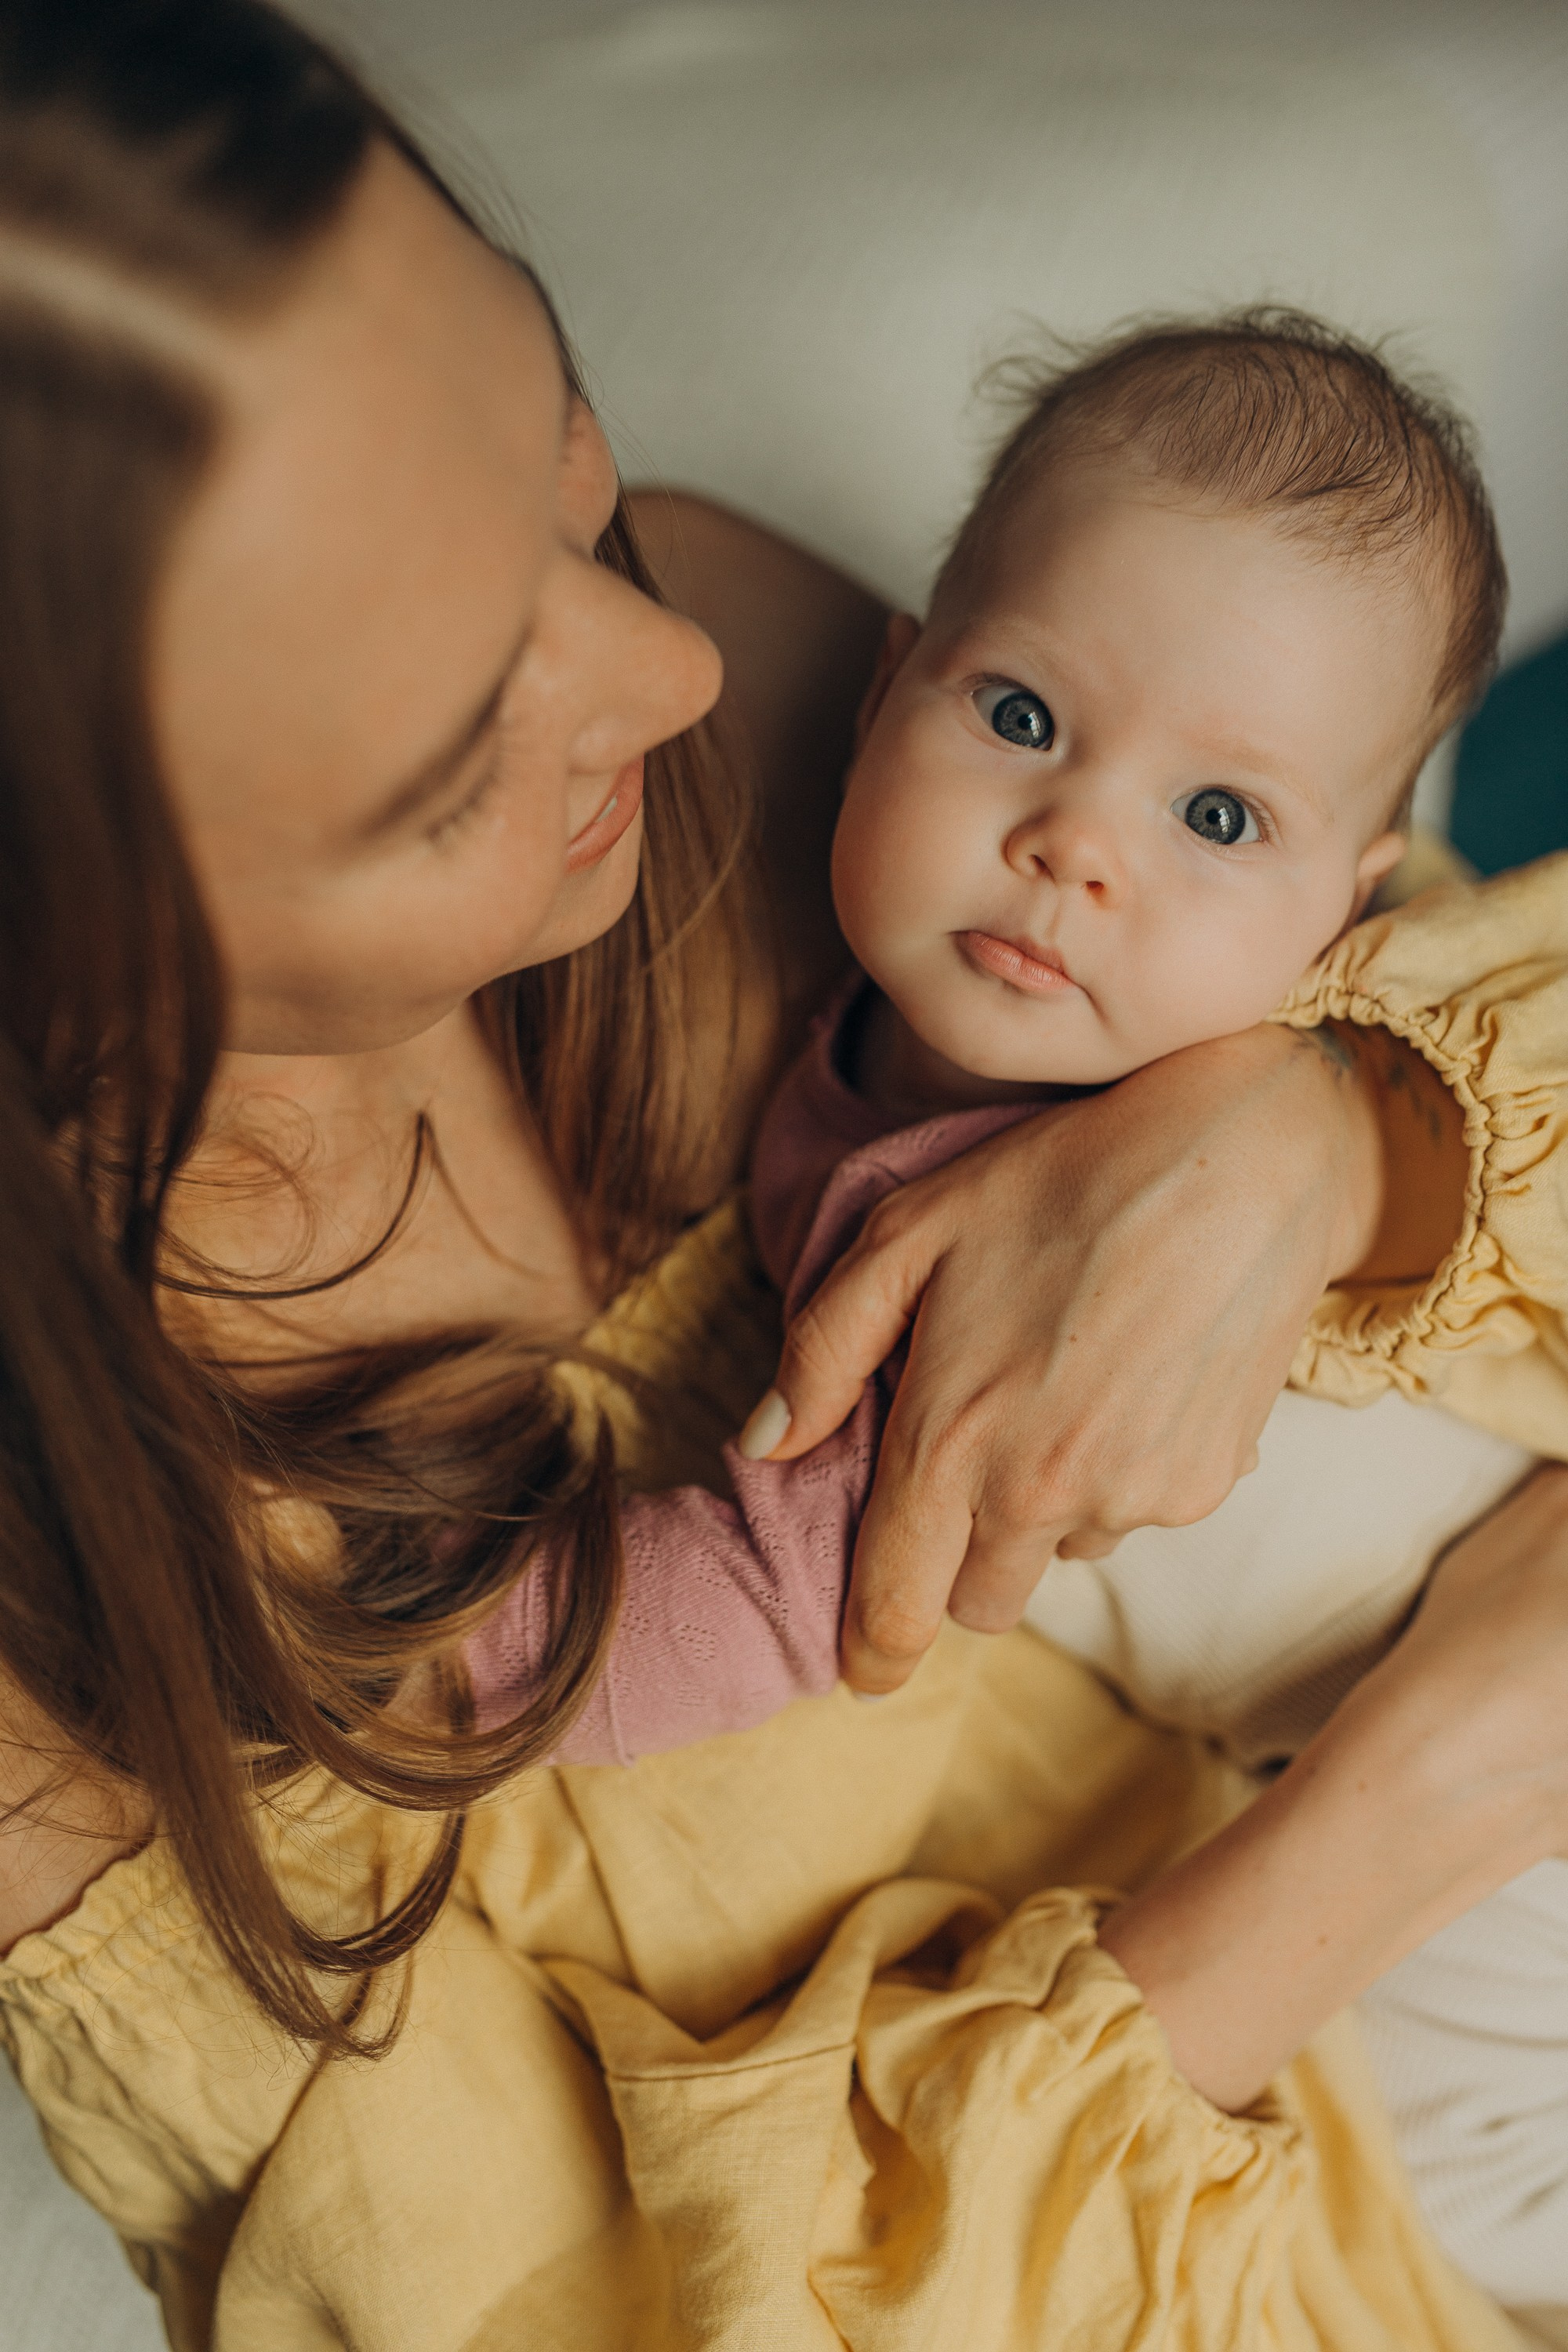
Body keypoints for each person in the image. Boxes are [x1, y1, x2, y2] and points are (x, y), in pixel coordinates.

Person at [1, 5, 1566, 2347]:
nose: (658, 666)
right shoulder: (82, 1568)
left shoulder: (776, 698)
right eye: (448, 757)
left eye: (564, 460)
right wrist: (1445, 1778)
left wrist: (1327, 1133)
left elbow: (1370, 924)